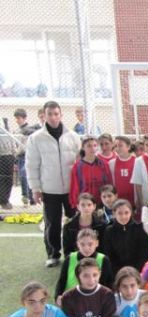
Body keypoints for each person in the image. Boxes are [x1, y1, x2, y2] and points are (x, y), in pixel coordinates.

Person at [25, 100, 80, 267]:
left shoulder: (73, 136)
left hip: (71, 190)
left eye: (56, 114)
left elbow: (80, 162)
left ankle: (73, 252)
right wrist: (35, 189)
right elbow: (31, 165)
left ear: (61, 115)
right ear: (44, 115)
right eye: (50, 114)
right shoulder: (35, 138)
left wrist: (80, 187)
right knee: (52, 224)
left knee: (74, 222)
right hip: (49, 189)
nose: (53, 117)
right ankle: (53, 254)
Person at [55, 228, 113, 301]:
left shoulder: (104, 259)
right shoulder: (70, 258)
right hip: (71, 300)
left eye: (90, 244)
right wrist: (58, 296)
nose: (86, 248)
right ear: (77, 244)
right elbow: (62, 280)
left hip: (95, 300)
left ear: (96, 243)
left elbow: (109, 283)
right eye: (82, 244)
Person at [103, 199, 148, 273]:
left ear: (131, 213)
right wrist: (119, 272)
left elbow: (145, 253)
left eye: (126, 213)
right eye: (120, 213)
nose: (123, 216)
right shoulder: (109, 231)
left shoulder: (139, 228)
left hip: (137, 271)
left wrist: (136, 271)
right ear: (114, 214)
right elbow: (108, 254)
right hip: (117, 272)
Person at [69, 136, 112, 208]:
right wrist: (75, 203)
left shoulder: (103, 164)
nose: (92, 148)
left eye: (95, 145)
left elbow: (109, 183)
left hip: (102, 202)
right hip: (85, 204)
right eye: (89, 146)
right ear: (83, 148)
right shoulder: (78, 167)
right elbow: (74, 187)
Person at [13, 108, 38, 206]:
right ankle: (26, 197)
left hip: (27, 156)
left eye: (19, 118)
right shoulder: (17, 131)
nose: (17, 120)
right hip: (19, 156)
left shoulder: (29, 130)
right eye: (16, 118)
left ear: (24, 118)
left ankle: (29, 197)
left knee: (26, 176)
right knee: (22, 176)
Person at [109, 136, 136, 207]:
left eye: (120, 145)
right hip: (118, 201)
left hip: (134, 199)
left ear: (128, 147)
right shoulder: (112, 163)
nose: (117, 148)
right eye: (115, 146)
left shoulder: (137, 161)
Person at [0, 126, 17, 210]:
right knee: (4, 179)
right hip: (3, 156)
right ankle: (3, 200)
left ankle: (5, 200)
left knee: (8, 179)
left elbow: (13, 146)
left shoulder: (7, 132)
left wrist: (14, 157)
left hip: (8, 156)